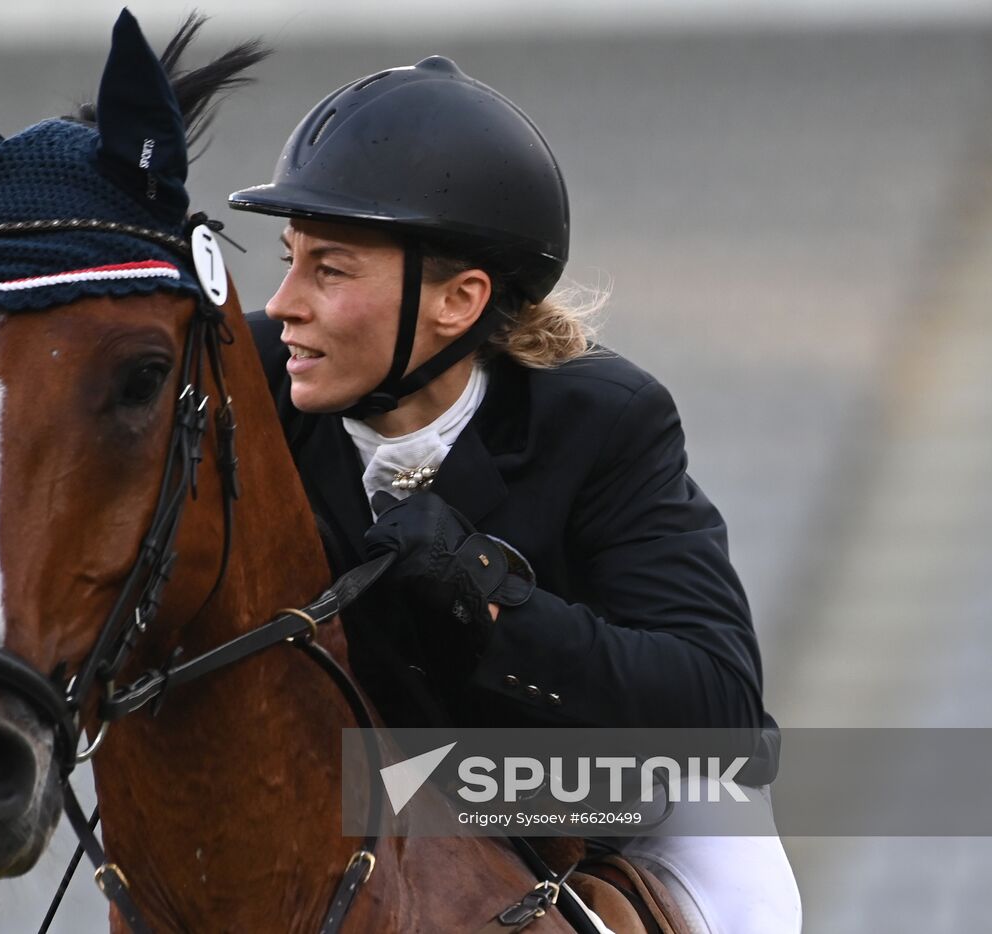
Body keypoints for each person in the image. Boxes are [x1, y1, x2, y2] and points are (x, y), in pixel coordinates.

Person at [228, 56, 801, 933]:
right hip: (384, 771)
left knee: (751, 903)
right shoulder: (252, 377)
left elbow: (720, 713)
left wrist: (491, 599)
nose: (282, 304)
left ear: (458, 300)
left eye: (330, 271)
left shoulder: (602, 420)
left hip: (610, 785)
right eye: (290, 260)